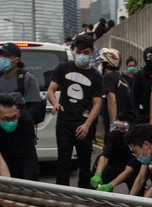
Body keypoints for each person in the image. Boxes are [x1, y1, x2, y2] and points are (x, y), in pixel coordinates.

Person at [46, 34, 102, 188]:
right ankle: (62, 196)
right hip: (64, 123)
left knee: (84, 166)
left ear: (92, 53)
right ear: (74, 50)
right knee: (63, 163)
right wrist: (55, 103)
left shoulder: (96, 76)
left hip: (84, 124)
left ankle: (82, 197)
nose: (83, 55)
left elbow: (97, 103)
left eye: (87, 52)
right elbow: (51, 90)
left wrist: (87, 125)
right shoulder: (63, 68)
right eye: (80, 51)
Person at [0, 92, 39, 180]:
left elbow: (30, 155)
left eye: (14, 117)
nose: (11, 122)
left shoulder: (26, 121)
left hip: (20, 154)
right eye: (6, 119)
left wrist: (26, 181)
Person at [0, 43, 44, 124]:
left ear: (16, 60)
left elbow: (34, 106)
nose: (2, 59)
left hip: (20, 125)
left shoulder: (27, 78)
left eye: (6, 56)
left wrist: (20, 123)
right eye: (1, 55)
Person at [92, 111, 140, 193]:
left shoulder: (138, 140)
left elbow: (129, 170)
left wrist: (111, 184)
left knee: (138, 186)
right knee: (100, 167)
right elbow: (105, 156)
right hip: (114, 165)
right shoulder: (113, 136)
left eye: (123, 128)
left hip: (133, 168)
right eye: (117, 126)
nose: (119, 130)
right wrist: (98, 173)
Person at [99, 48, 133, 134]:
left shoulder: (108, 78)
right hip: (125, 124)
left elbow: (112, 100)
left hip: (116, 123)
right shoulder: (123, 81)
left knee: (110, 146)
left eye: (102, 62)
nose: (100, 65)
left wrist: (112, 125)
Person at [131, 47, 152, 124]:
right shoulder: (139, 75)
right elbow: (133, 97)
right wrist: (137, 115)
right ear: (146, 58)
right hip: (142, 116)